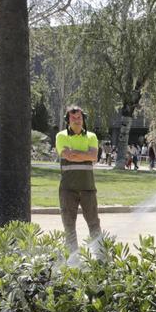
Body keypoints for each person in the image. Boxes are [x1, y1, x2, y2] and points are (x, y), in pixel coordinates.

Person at [56, 105, 102, 252]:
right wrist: (85, 154)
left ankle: (101, 257)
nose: (77, 120)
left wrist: (75, 153)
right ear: (67, 120)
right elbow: (67, 155)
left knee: (94, 224)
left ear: (83, 119)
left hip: (88, 188)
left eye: (79, 117)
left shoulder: (92, 136)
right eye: (73, 117)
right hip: (67, 190)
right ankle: (72, 259)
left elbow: (93, 156)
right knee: (69, 226)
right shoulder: (61, 136)